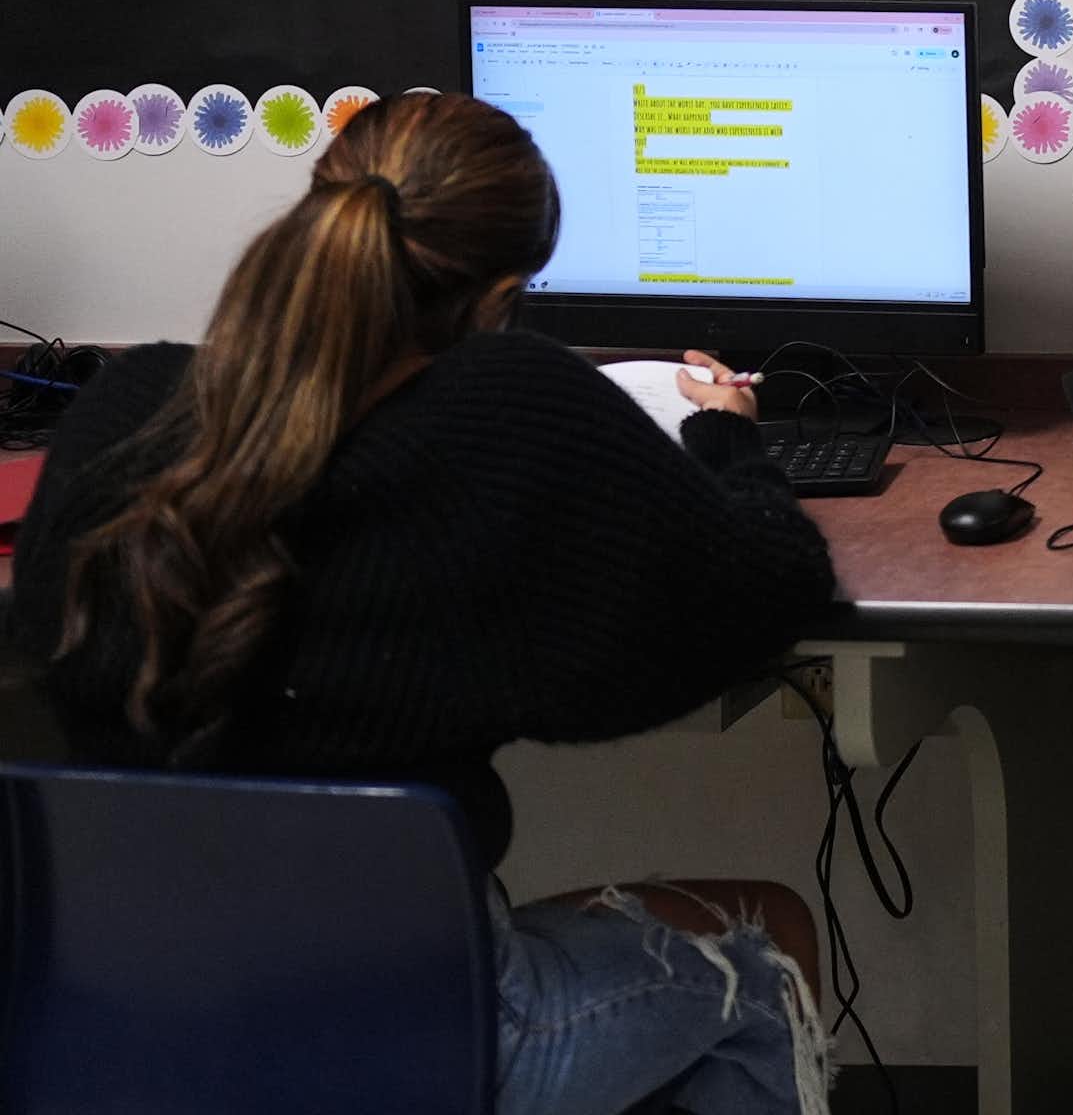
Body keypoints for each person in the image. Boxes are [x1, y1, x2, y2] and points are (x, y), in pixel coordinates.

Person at [10, 90, 839, 1115]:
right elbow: (772, 586)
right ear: (498, 297)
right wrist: (727, 440)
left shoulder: (122, 413)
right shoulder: (504, 415)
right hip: (422, 1044)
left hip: (119, 1030)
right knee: (769, 941)